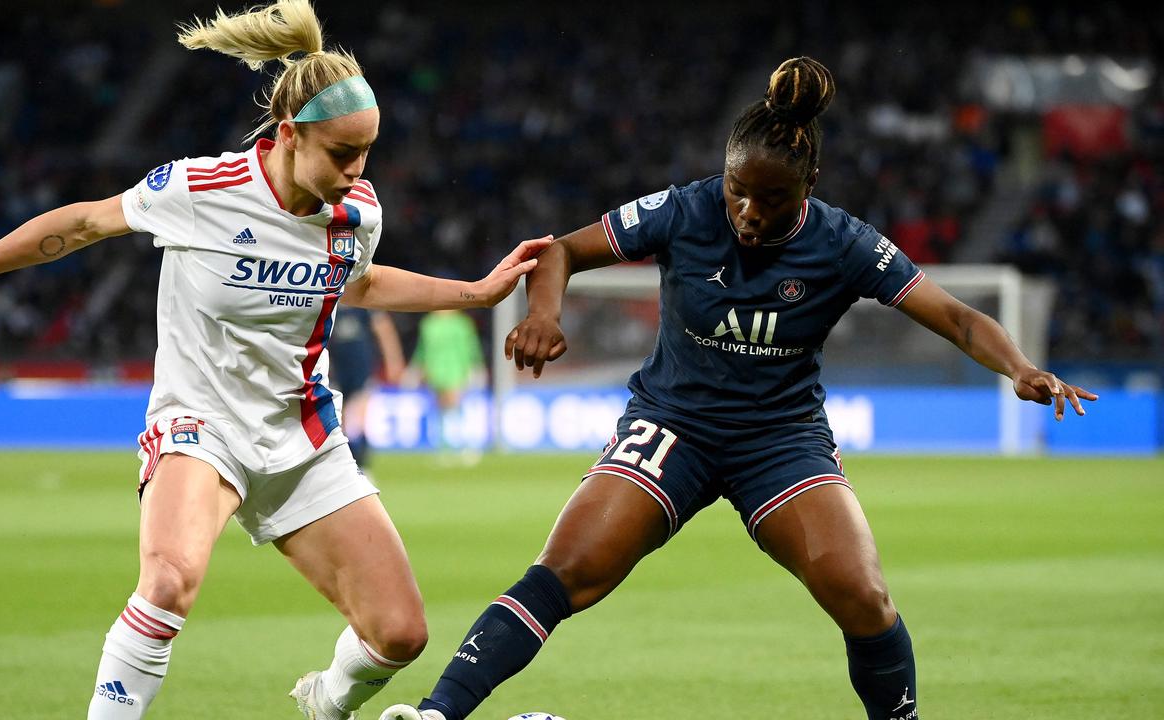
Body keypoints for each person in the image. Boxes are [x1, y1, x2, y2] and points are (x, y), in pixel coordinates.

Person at [380, 57, 1098, 720]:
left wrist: (1020, 367)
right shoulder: (685, 210)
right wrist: (543, 312)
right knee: (568, 571)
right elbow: (562, 249)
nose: (750, 213)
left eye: (773, 200)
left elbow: (957, 316)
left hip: (779, 439)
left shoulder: (844, 243)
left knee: (863, 596)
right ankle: (437, 714)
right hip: (674, 424)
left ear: (809, 188)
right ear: (721, 175)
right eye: (738, 192)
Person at [0, 2, 549, 718]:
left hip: (302, 435)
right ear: (288, 137)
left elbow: (359, 282)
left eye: (366, 151)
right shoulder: (200, 190)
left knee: (400, 633)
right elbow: (85, 221)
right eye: (342, 152)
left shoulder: (357, 212)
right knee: (170, 580)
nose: (356, 169)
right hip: (201, 424)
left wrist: (476, 291)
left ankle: (325, 706)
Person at [329, 306, 404, 470]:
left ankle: (361, 465)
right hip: (335, 369)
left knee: (359, 417)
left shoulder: (362, 304)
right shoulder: (329, 301)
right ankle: (347, 465)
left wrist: (393, 360)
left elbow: (384, 329)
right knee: (339, 422)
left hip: (362, 368)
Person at [409, 309, 485, 462]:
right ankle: (446, 448)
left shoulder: (461, 324)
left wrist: (476, 367)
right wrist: (416, 369)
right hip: (436, 370)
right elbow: (422, 349)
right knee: (442, 410)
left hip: (456, 369)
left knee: (455, 406)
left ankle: (464, 445)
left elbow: (471, 347)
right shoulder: (429, 324)